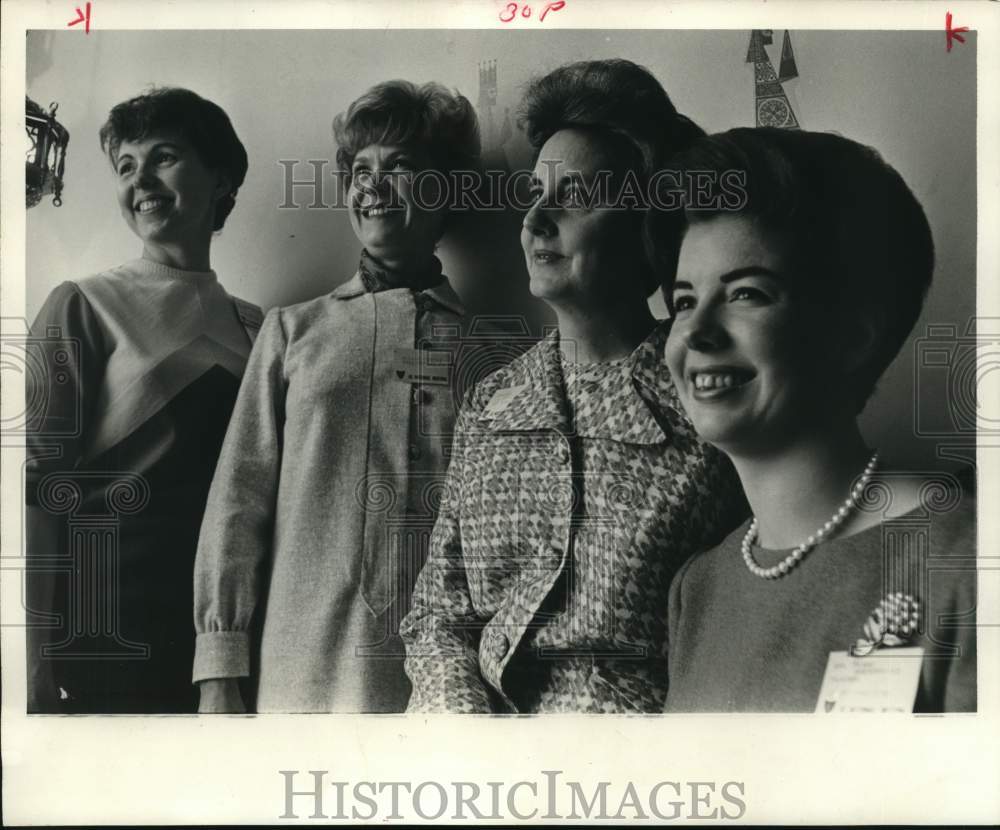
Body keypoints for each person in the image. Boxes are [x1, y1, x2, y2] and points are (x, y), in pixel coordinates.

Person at [400, 59, 747, 714]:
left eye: (578, 195)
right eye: (535, 194)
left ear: (647, 223)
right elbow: (437, 615)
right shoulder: (491, 402)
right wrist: (466, 737)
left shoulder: (716, 402)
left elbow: (754, 620)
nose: (536, 220)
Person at [659, 127, 976, 713]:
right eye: (683, 300)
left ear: (854, 338)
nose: (695, 332)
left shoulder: (964, 559)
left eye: (746, 294)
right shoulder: (697, 591)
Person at [192, 80, 481, 713]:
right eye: (360, 170)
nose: (372, 186)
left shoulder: (494, 353)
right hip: (301, 670)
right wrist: (219, 665)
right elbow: (238, 497)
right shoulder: (292, 330)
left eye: (400, 167)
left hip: (448, 685)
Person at [25, 87, 260, 713]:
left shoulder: (258, 328)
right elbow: (36, 494)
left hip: (220, 649)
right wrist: (32, 664)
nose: (141, 180)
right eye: (126, 166)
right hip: (100, 640)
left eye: (164, 157)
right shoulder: (81, 304)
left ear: (222, 178)